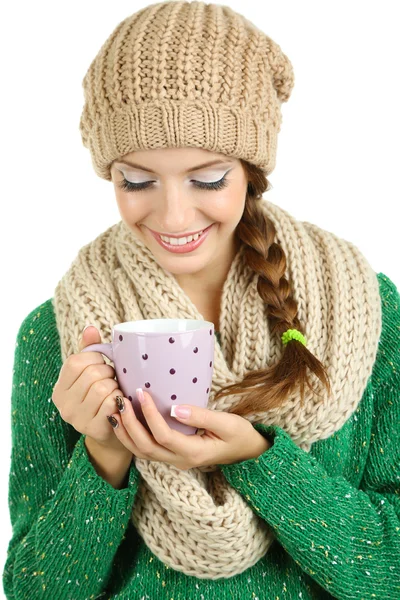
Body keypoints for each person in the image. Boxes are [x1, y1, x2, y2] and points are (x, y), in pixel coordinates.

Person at [3, 1, 399, 598]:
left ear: (251, 171)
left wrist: (263, 463)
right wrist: (102, 455)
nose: (174, 214)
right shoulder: (54, 335)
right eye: (136, 181)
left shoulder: (366, 312)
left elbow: (389, 568)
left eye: (207, 179)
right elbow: (36, 589)